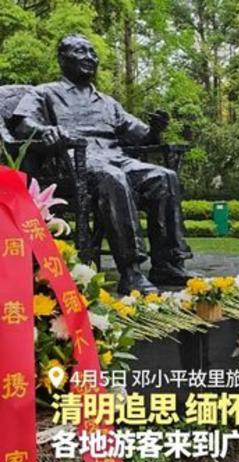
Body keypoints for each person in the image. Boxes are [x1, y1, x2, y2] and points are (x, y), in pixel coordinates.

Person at [13, 34, 193, 294]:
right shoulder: (45, 92)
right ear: (62, 59)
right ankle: (130, 271)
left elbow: (140, 135)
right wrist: (44, 131)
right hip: (72, 165)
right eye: (80, 51)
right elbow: (23, 124)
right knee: (113, 177)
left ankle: (167, 264)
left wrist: (155, 130)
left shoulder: (107, 102)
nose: (89, 57)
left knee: (164, 177)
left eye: (92, 53)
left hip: (114, 157)